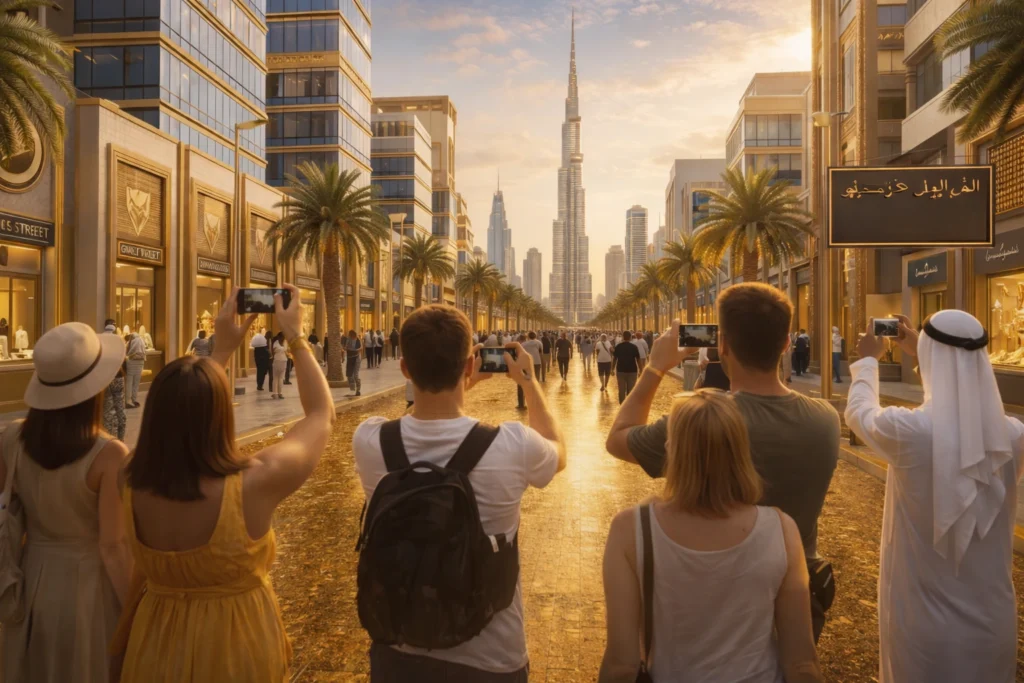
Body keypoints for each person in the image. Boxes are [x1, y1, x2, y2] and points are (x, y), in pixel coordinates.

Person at [114, 285, 334, 682]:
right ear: (220, 414)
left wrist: (219, 352)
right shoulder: (252, 482)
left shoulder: (128, 478)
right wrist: (296, 335)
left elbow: (186, 404)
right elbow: (320, 414)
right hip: (236, 648)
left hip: (154, 646)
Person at [605, 284, 840, 641]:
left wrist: (654, 367)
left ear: (723, 345)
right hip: (793, 604)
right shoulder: (826, 420)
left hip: (709, 605)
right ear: (787, 342)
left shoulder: (696, 422)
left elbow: (619, 438)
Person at [353, 305, 566, 682]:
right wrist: (529, 383)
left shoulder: (370, 440)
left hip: (397, 649)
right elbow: (556, 450)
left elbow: (425, 411)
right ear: (469, 365)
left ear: (404, 368)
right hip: (491, 657)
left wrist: (465, 381)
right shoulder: (512, 445)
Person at [846, 311, 1024, 683]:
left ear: (931, 357)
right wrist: (925, 353)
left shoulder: (910, 431)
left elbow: (859, 412)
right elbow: (961, 404)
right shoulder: (1014, 436)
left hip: (926, 629)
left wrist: (867, 360)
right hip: (995, 625)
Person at [599, 391, 822, 683]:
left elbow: (622, 664)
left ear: (673, 450)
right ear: (740, 451)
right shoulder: (782, 529)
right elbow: (802, 662)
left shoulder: (631, 529)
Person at [0, 322, 132, 683]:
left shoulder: (11, 438)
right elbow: (113, 546)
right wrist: (136, 609)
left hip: (29, 580)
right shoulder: (109, 455)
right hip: (89, 588)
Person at [611, 331, 641, 405]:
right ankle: (629, 406)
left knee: (621, 390)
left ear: (623, 337)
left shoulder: (618, 346)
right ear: (630, 337)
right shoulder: (634, 347)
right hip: (632, 371)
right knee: (631, 390)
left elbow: (614, 359)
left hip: (620, 371)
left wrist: (612, 369)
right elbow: (638, 359)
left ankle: (622, 406)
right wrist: (641, 370)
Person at [103, 360, 128, 441]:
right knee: (121, 411)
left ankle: (112, 442)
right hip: (118, 373)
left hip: (105, 376)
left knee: (109, 414)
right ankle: (120, 441)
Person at [520, 331, 544, 411]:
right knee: (536, 381)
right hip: (537, 363)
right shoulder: (539, 343)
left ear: (528, 336)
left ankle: (523, 402)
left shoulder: (523, 344)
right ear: (535, 336)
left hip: (526, 364)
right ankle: (535, 401)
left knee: (525, 382)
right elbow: (541, 353)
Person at [125, 331, 147, 409]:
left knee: (129, 382)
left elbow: (126, 352)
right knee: (136, 383)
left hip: (131, 362)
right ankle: (134, 399)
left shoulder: (130, 342)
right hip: (140, 363)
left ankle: (128, 400)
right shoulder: (141, 341)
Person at [271, 332, 289, 399]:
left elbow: (273, 351)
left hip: (277, 360)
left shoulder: (275, 343)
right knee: (281, 378)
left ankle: (275, 393)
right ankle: (280, 393)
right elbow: (286, 351)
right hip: (284, 360)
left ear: (278, 337)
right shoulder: (285, 343)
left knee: (275, 377)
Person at [347, 330, 363, 396]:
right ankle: (353, 388)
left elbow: (361, 348)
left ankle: (358, 389)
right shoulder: (348, 340)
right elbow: (347, 347)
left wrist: (356, 350)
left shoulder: (358, 340)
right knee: (350, 374)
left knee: (355, 374)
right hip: (350, 358)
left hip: (356, 358)